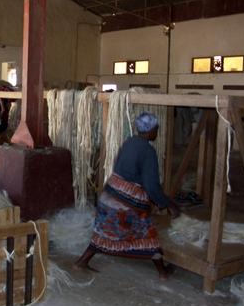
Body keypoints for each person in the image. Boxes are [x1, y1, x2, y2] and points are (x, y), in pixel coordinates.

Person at [75, 112, 180, 280]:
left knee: (103, 231)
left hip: (109, 194)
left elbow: (119, 166)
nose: (157, 132)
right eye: (156, 129)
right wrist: (167, 203)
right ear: (150, 130)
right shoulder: (148, 151)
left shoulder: (129, 142)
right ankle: (163, 272)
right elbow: (151, 184)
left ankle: (82, 261)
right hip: (126, 202)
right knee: (147, 233)